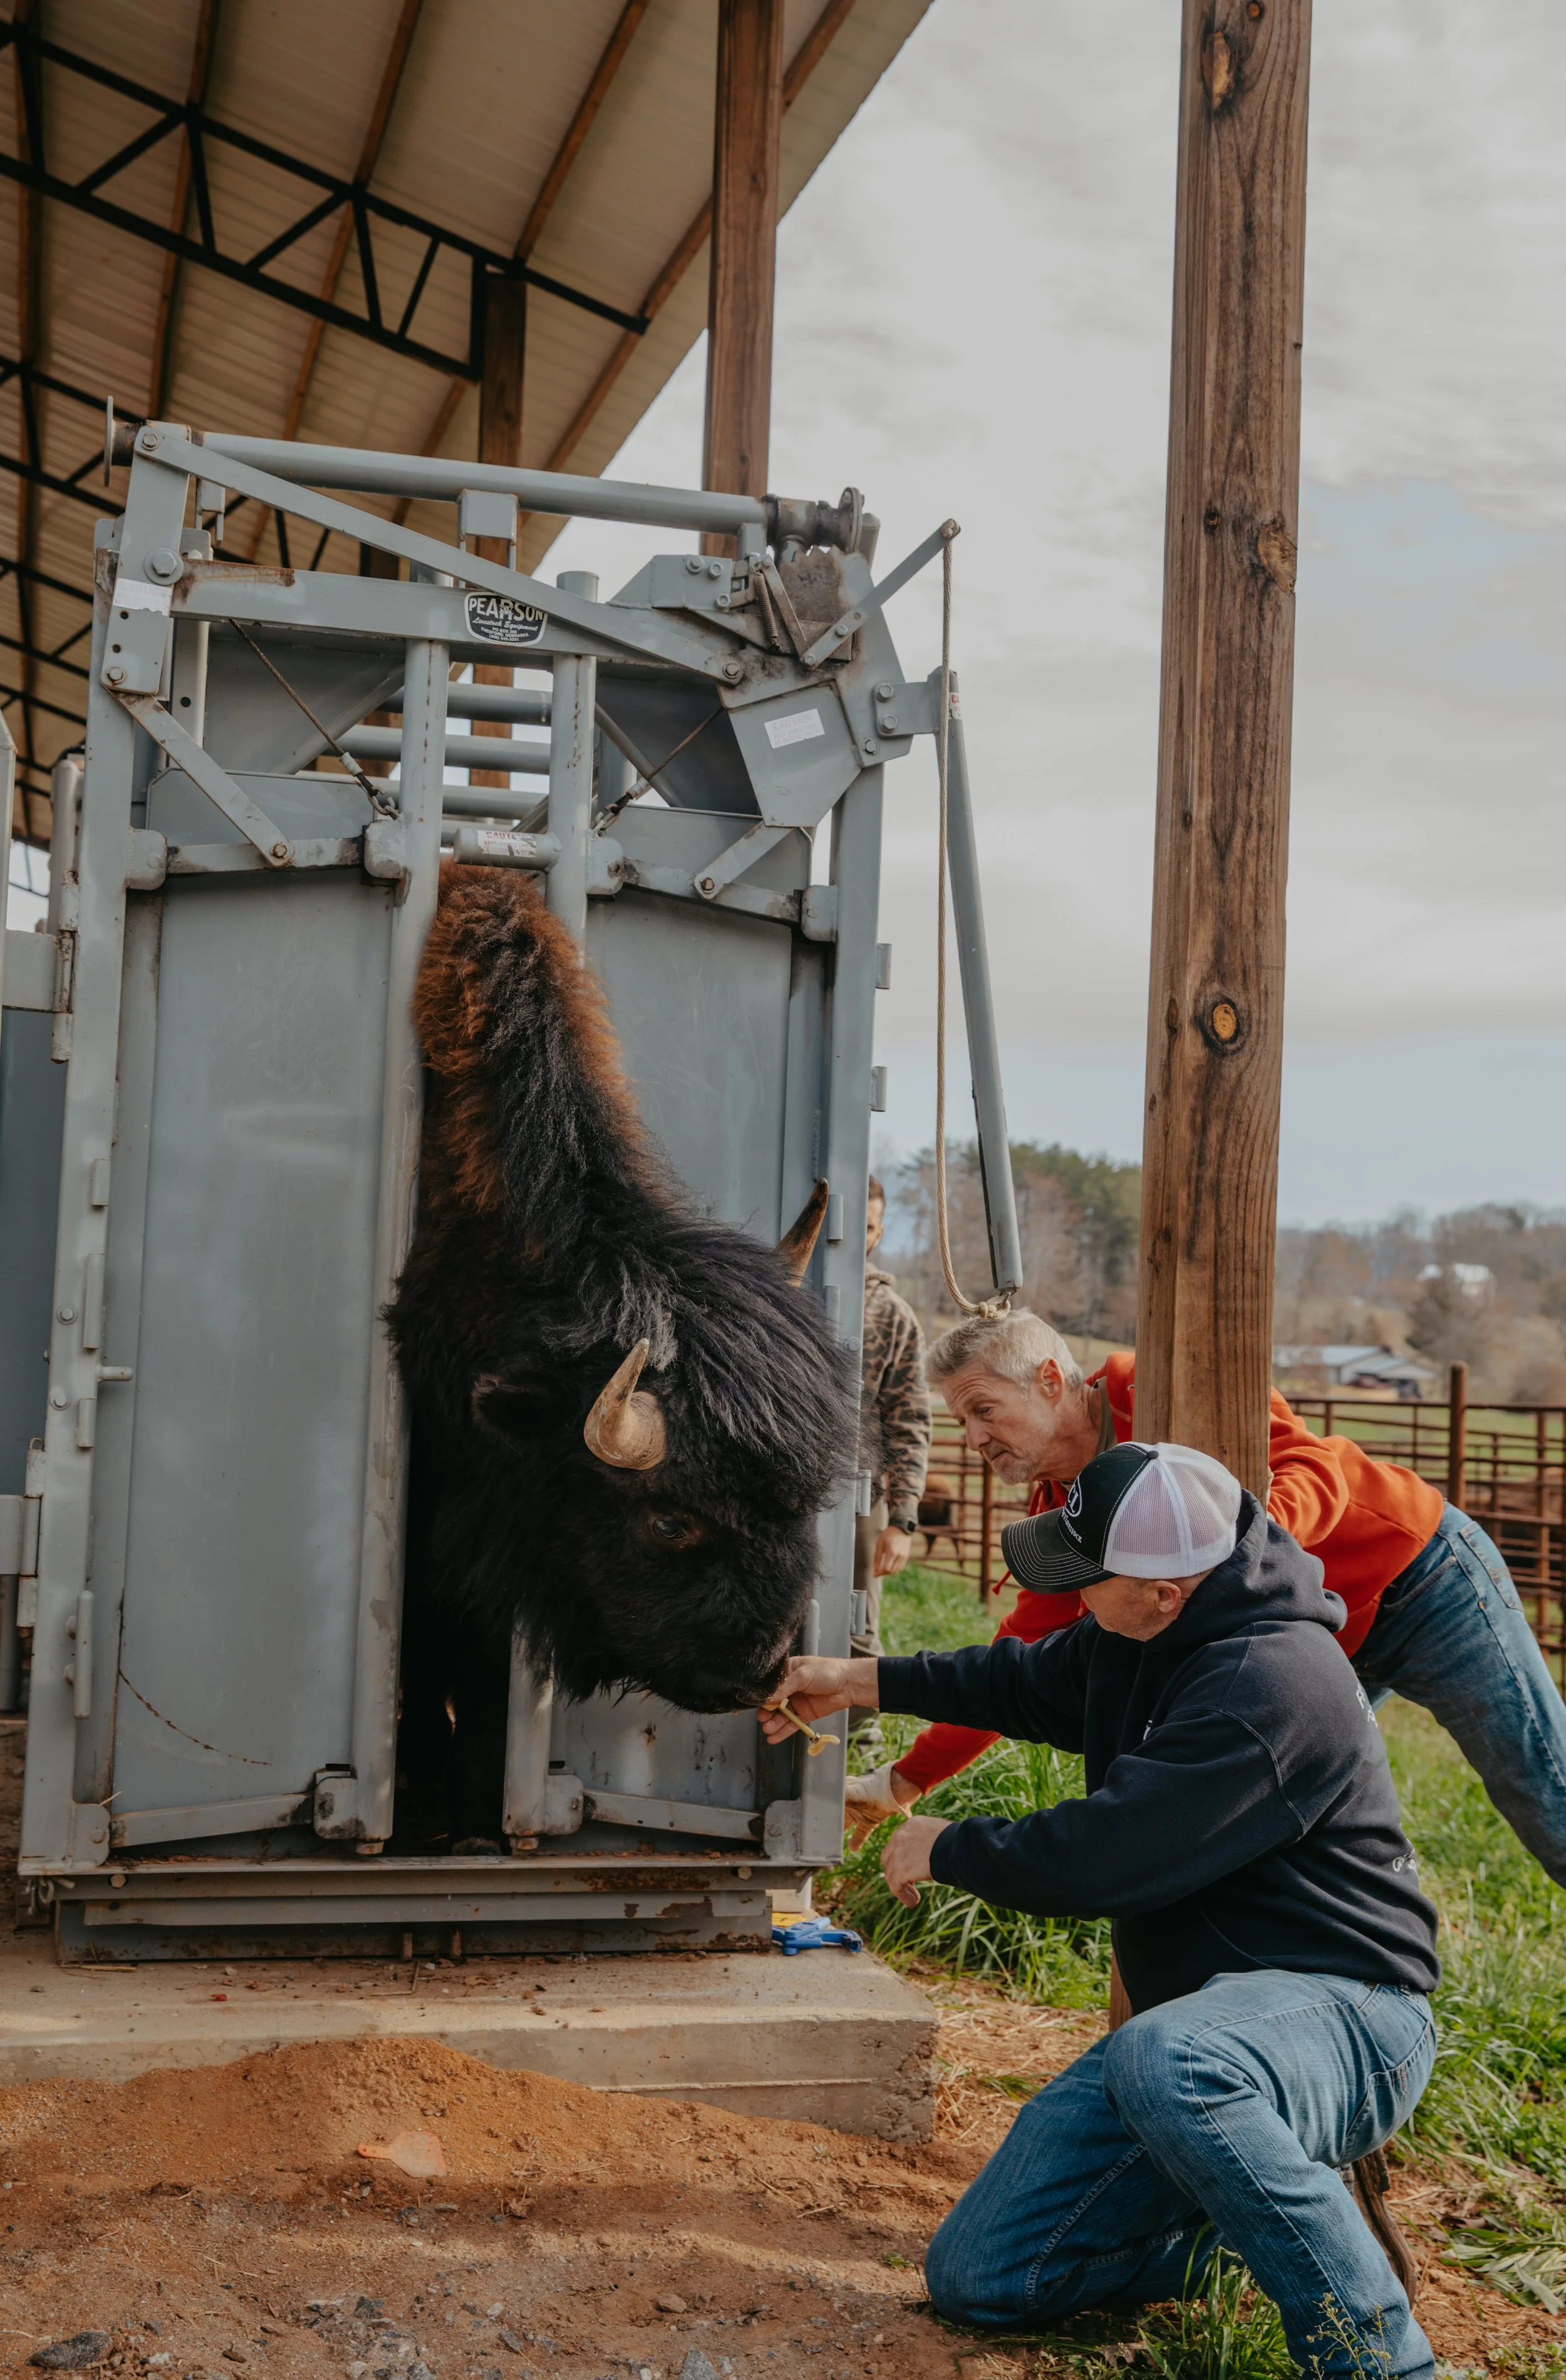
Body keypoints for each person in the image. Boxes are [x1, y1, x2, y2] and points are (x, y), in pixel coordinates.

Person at [765, 1441, 1441, 2377]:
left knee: (1169, 2058)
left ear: (1166, 1591)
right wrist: (858, 1680)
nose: (1073, 1597)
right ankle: (1250, 2227)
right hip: (1208, 2032)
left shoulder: (1269, 1684)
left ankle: (1385, 2361)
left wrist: (950, 1844)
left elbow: (1109, 1859)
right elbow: (1022, 1678)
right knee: (984, 2275)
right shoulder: (1152, 1631)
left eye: (1090, 1578)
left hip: (1347, 2013)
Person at [847, 1311, 1566, 1887]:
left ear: (1048, 1380)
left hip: (1415, 1576)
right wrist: (905, 1778)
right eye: (962, 1421)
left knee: (1541, 1783)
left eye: (982, 1410)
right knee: (1263, 1824)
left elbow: (1309, 1461)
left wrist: (1238, 1551)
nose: (971, 1437)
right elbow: (1020, 1654)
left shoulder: (1155, 1388)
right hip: (1312, 1637)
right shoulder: (1064, 1507)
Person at [849, 1176, 930, 1739]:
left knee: (857, 1616)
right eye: (858, 1224)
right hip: (775, 1487)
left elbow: (908, 1422)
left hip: (858, 1498)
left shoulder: (892, 1315)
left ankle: (860, 1736)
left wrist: (901, 1518)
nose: (866, 1236)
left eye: (874, 1227)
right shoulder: (781, 1287)